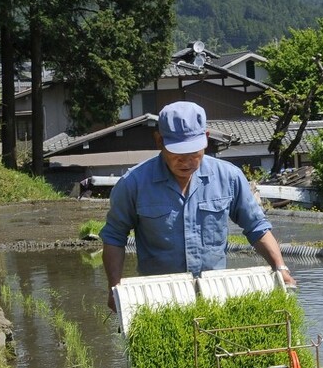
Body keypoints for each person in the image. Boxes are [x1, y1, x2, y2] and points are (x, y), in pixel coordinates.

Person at [100, 100, 296, 312]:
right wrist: (114, 287)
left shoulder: (228, 177)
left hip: (215, 294)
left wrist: (280, 267)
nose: (187, 162)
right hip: (159, 297)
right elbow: (114, 237)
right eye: (178, 154)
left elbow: (256, 226)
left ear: (206, 139)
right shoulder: (134, 184)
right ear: (159, 141)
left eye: (194, 153)